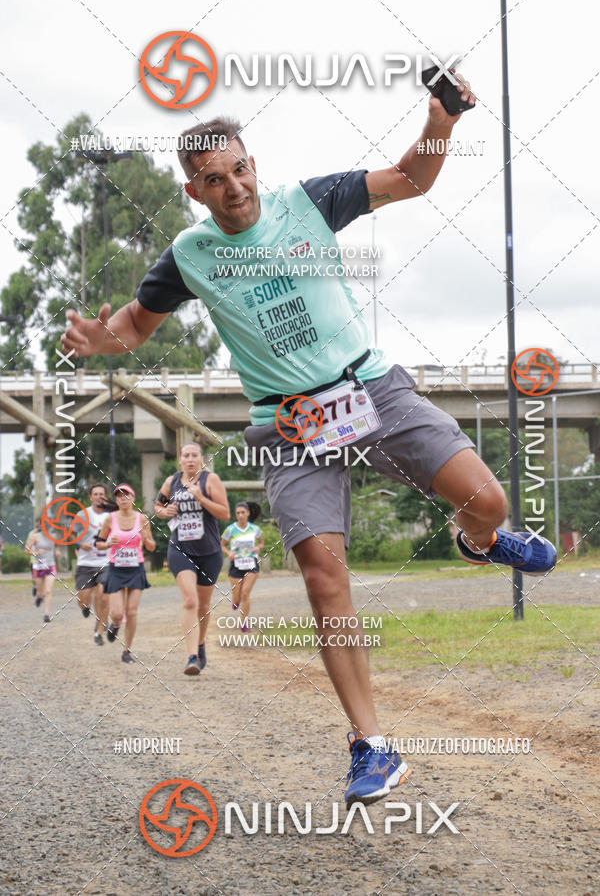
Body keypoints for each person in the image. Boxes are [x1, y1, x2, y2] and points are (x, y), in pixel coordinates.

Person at [61, 77, 558, 807]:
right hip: (289, 425)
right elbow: (135, 324)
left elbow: (412, 178)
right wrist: (98, 339)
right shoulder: (191, 254)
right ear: (194, 191)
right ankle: (372, 746)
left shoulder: (309, 202)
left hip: (372, 389)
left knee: (489, 501)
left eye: (239, 169)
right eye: (213, 180)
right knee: (325, 578)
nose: (234, 187)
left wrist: (439, 122)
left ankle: (479, 540)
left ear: (252, 163)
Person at [155, 443, 229, 675]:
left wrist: (201, 498)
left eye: (194, 455)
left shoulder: (210, 480)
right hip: (180, 549)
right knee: (190, 600)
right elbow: (158, 506)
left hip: (209, 552)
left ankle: (200, 642)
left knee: (203, 606)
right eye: (185, 455)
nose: (189, 459)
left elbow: (225, 513)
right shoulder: (171, 482)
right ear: (180, 459)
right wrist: (164, 511)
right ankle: (192, 657)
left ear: (201, 459)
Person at [96, 484, 155, 664]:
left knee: (131, 612)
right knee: (117, 613)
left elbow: (152, 547)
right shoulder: (110, 519)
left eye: (126, 495)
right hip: (116, 569)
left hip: (136, 568)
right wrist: (108, 544)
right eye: (119, 496)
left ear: (133, 498)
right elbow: (98, 543)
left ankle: (126, 651)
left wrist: (146, 538)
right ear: (116, 500)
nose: (123, 498)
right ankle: (115, 625)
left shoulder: (142, 519)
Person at [74, 482, 111, 646]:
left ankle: (99, 630)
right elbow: (71, 535)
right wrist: (80, 544)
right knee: (83, 599)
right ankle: (84, 607)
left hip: (105, 562)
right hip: (85, 563)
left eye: (101, 494)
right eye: (95, 494)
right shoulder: (82, 515)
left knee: (103, 595)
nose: (98, 497)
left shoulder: (112, 515)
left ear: (105, 497)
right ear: (90, 497)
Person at [221, 502, 263, 632]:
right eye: (238, 513)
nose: (240, 515)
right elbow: (221, 545)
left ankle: (244, 623)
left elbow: (261, 543)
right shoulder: (230, 529)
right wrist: (229, 553)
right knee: (237, 598)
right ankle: (235, 601)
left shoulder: (255, 529)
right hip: (236, 565)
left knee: (245, 593)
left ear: (248, 513)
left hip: (251, 563)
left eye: (243, 512)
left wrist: (258, 548)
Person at [25, 518, 56, 623]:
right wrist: (36, 552)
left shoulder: (54, 536)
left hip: (50, 566)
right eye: (45, 524)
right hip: (38, 567)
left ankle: (46, 614)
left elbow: (57, 547)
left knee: (48, 590)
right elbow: (26, 550)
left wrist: (57, 551)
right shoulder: (35, 536)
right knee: (41, 592)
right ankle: (39, 596)